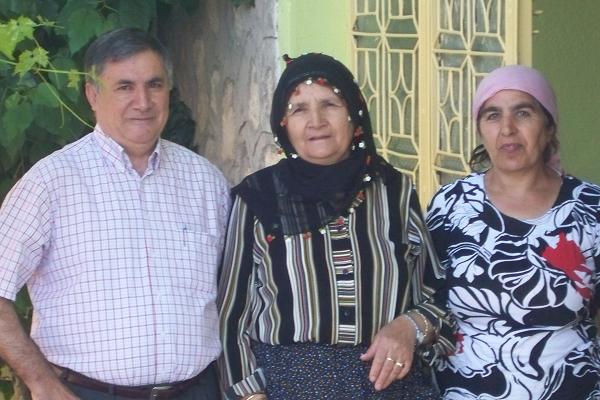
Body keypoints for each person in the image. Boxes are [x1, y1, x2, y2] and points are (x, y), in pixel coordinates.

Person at [0, 28, 230, 400]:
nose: (143, 101)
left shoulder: (206, 181)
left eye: (154, 85)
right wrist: (42, 384)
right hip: (85, 393)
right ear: (93, 95)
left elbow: (237, 293)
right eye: (124, 87)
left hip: (197, 391)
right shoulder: (50, 182)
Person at [217, 53, 454, 400]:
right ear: (283, 122)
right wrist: (250, 395)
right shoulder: (258, 197)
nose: (316, 121)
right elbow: (231, 315)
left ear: (353, 113)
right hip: (289, 389)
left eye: (330, 104)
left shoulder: (393, 190)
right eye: (299, 109)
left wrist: (408, 327)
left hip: (392, 389)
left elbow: (437, 295)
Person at [426, 65, 600, 399]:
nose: (507, 128)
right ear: (480, 130)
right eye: (493, 115)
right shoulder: (451, 205)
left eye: (523, 113)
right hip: (466, 390)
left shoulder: (590, 208)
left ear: (548, 127)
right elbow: (425, 300)